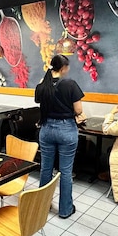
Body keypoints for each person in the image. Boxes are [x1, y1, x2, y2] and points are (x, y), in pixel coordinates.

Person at [35, 55, 84, 218]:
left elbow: (39, 102)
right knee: (65, 171)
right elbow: (78, 111)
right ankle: (65, 210)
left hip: (46, 129)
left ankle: (42, 206)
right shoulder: (70, 84)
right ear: (63, 68)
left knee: (46, 169)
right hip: (66, 130)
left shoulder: (42, 85)